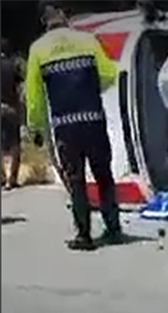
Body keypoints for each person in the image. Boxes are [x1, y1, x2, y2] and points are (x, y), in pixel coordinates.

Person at [25, 0, 124, 250]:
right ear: (64, 15)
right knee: (104, 175)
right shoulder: (88, 41)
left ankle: (84, 235)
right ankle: (113, 228)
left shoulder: (38, 49)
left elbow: (34, 96)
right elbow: (109, 75)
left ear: (43, 21)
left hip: (65, 126)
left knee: (75, 179)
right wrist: (89, 91)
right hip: (93, 120)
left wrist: (35, 126)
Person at [1, 38, 23, 190]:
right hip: (11, 108)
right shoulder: (12, 66)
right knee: (15, 143)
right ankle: (12, 179)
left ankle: (2, 177)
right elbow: (20, 87)